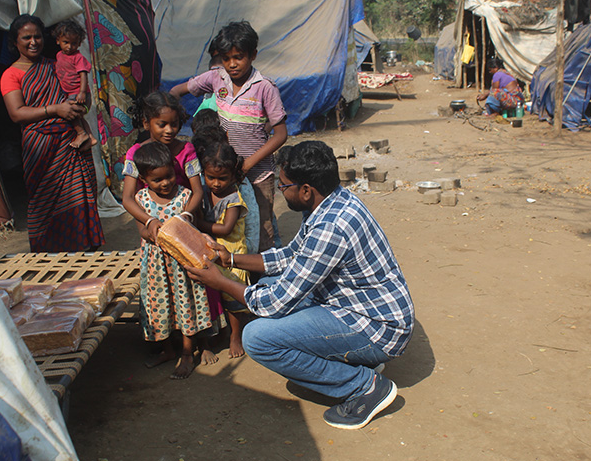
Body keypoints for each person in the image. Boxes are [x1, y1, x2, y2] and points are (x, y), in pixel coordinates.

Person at [187, 141, 414, 430]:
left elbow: (274, 303)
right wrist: (230, 260)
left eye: (283, 186)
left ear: (306, 190)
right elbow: (292, 256)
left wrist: (219, 281)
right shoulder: (333, 201)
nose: (281, 191)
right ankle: (353, 361)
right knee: (267, 283)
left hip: (377, 328)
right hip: (362, 307)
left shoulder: (330, 228)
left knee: (258, 338)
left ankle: (362, 387)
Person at [170, 20, 287, 252]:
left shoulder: (264, 87)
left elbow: (280, 134)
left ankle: (262, 279)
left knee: (262, 225)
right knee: (227, 221)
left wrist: (248, 163)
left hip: (257, 173)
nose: (232, 64)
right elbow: (176, 92)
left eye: (238, 57)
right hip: (223, 171)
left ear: (253, 55)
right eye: (226, 58)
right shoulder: (216, 78)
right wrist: (174, 121)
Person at [0, 14, 104, 253]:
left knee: (79, 193)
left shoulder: (57, 64)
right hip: (41, 145)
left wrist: (81, 103)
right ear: (15, 42)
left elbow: (81, 95)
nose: (33, 41)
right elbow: (17, 113)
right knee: (44, 199)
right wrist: (54, 109)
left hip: (72, 141)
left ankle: (83, 248)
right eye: (26, 37)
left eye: (37, 36)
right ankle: (49, 252)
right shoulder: (11, 74)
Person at [131, 142, 212, 379]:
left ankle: (187, 353)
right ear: (145, 179)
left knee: (186, 303)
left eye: (169, 176)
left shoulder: (185, 197)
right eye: (158, 180)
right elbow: (144, 233)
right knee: (159, 306)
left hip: (182, 265)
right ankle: (167, 349)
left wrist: (178, 225)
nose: (165, 183)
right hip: (156, 265)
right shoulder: (141, 201)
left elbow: (193, 226)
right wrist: (160, 231)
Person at [122, 91, 204, 243]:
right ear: (146, 123)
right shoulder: (135, 153)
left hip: (185, 218)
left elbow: (198, 191)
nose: (169, 130)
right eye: (162, 124)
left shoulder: (186, 150)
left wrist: (185, 215)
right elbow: (127, 198)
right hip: (151, 220)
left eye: (174, 124)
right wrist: (148, 221)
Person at [196, 140, 251, 358]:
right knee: (211, 292)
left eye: (222, 178)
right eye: (211, 178)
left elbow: (226, 229)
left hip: (232, 253)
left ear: (233, 176)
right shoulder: (203, 191)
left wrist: (197, 223)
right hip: (211, 250)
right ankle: (215, 334)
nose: (216, 183)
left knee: (233, 298)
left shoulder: (233, 199)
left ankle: (235, 334)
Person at [52, 19, 97, 149]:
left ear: (78, 44)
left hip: (78, 94)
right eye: (66, 42)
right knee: (80, 117)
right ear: (58, 41)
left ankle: (81, 133)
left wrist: (82, 92)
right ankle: (91, 137)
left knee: (71, 113)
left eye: (74, 43)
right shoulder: (59, 55)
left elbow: (83, 75)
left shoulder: (78, 57)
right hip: (70, 93)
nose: (69, 47)